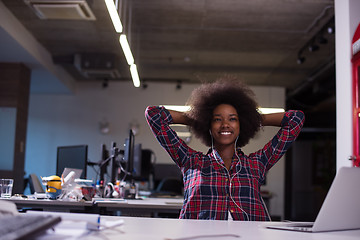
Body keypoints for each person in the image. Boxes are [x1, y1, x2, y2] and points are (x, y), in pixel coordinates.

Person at [145, 78, 305, 221]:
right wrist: (199, 119)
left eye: (233, 119)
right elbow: (154, 115)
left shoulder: (257, 163)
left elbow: (296, 119)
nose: (225, 124)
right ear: (209, 125)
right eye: (217, 119)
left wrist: (251, 118)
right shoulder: (191, 161)